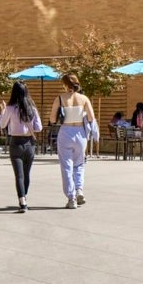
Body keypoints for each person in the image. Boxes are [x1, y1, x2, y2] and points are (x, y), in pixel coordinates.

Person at [55, 74, 98, 209]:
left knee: (66, 166)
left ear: (65, 84)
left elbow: (51, 119)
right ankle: (79, 190)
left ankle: (71, 197)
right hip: (80, 133)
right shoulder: (84, 99)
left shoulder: (60, 98)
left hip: (65, 132)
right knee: (79, 164)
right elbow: (91, 117)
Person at [0, 81, 43, 212]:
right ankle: (25, 195)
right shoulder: (32, 108)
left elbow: (2, 125)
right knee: (26, 174)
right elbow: (39, 128)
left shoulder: (10, 108)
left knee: (19, 175)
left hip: (15, 143)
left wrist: (2, 111)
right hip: (29, 143)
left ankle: (22, 201)